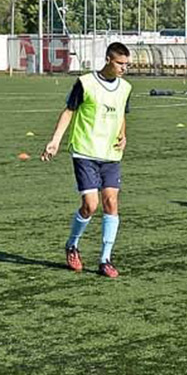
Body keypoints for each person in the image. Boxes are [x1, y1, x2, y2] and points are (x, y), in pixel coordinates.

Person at [40, 42, 133, 278]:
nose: (124, 68)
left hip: (111, 154)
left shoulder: (125, 87)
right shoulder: (85, 83)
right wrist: (55, 140)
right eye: (120, 63)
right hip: (85, 151)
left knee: (111, 202)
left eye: (127, 64)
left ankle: (105, 259)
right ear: (108, 60)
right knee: (91, 205)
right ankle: (72, 244)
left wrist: (123, 135)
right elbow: (69, 111)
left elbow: (121, 114)